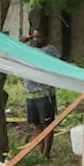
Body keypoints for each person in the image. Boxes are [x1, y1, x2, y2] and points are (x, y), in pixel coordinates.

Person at [22, 30, 60, 158]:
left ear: (45, 37)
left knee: (47, 125)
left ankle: (46, 154)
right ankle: (40, 151)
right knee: (37, 124)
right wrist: (23, 43)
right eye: (34, 37)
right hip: (31, 94)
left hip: (45, 93)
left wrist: (23, 44)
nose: (36, 39)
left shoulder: (49, 51)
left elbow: (37, 56)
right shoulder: (29, 50)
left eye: (39, 37)